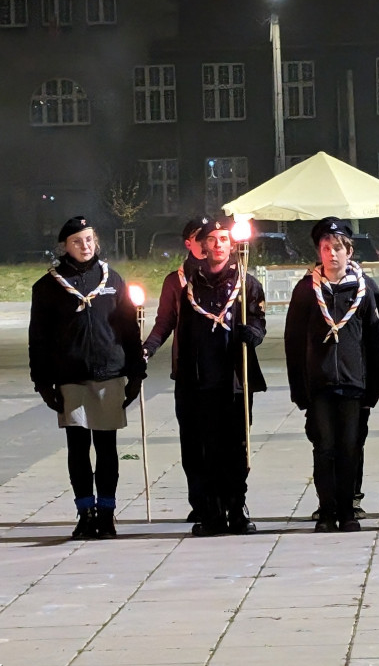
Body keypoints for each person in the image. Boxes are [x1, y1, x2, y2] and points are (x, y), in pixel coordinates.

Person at [28, 215, 146, 539]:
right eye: (77, 241)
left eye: (89, 239)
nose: (85, 246)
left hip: (108, 374)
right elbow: (38, 338)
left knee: (107, 449)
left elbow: (128, 329)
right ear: (64, 246)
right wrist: (42, 382)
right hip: (71, 377)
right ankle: (85, 513)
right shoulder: (48, 286)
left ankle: (106, 514)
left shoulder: (111, 279)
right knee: (77, 449)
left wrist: (136, 372)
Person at [285, 218, 379, 533]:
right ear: (319, 251)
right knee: (324, 448)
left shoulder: (365, 288)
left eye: (338, 249)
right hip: (319, 386)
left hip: (353, 385)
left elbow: (378, 339)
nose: (332, 255)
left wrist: (375, 388)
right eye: (326, 248)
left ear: (349, 251)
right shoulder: (306, 290)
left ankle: (347, 511)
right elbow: (293, 342)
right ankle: (327, 510)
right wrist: (299, 390)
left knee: (349, 448)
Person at [169, 216, 267, 536]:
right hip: (203, 381)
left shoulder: (246, 282)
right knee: (207, 449)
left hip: (235, 381)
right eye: (211, 240)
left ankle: (236, 507)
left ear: (231, 244)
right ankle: (212, 511)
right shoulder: (192, 286)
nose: (218, 245)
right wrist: (185, 378)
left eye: (223, 239)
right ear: (203, 246)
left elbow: (257, 319)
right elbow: (184, 333)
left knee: (236, 448)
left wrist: (251, 332)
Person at [143, 216, 208, 523]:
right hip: (188, 372)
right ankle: (199, 500)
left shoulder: (232, 275)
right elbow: (165, 321)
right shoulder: (177, 279)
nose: (208, 244)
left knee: (225, 440)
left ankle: (229, 499)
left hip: (223, 371)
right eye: (201, 238)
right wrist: (148, 348)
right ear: (189, 243)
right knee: (192, 441)